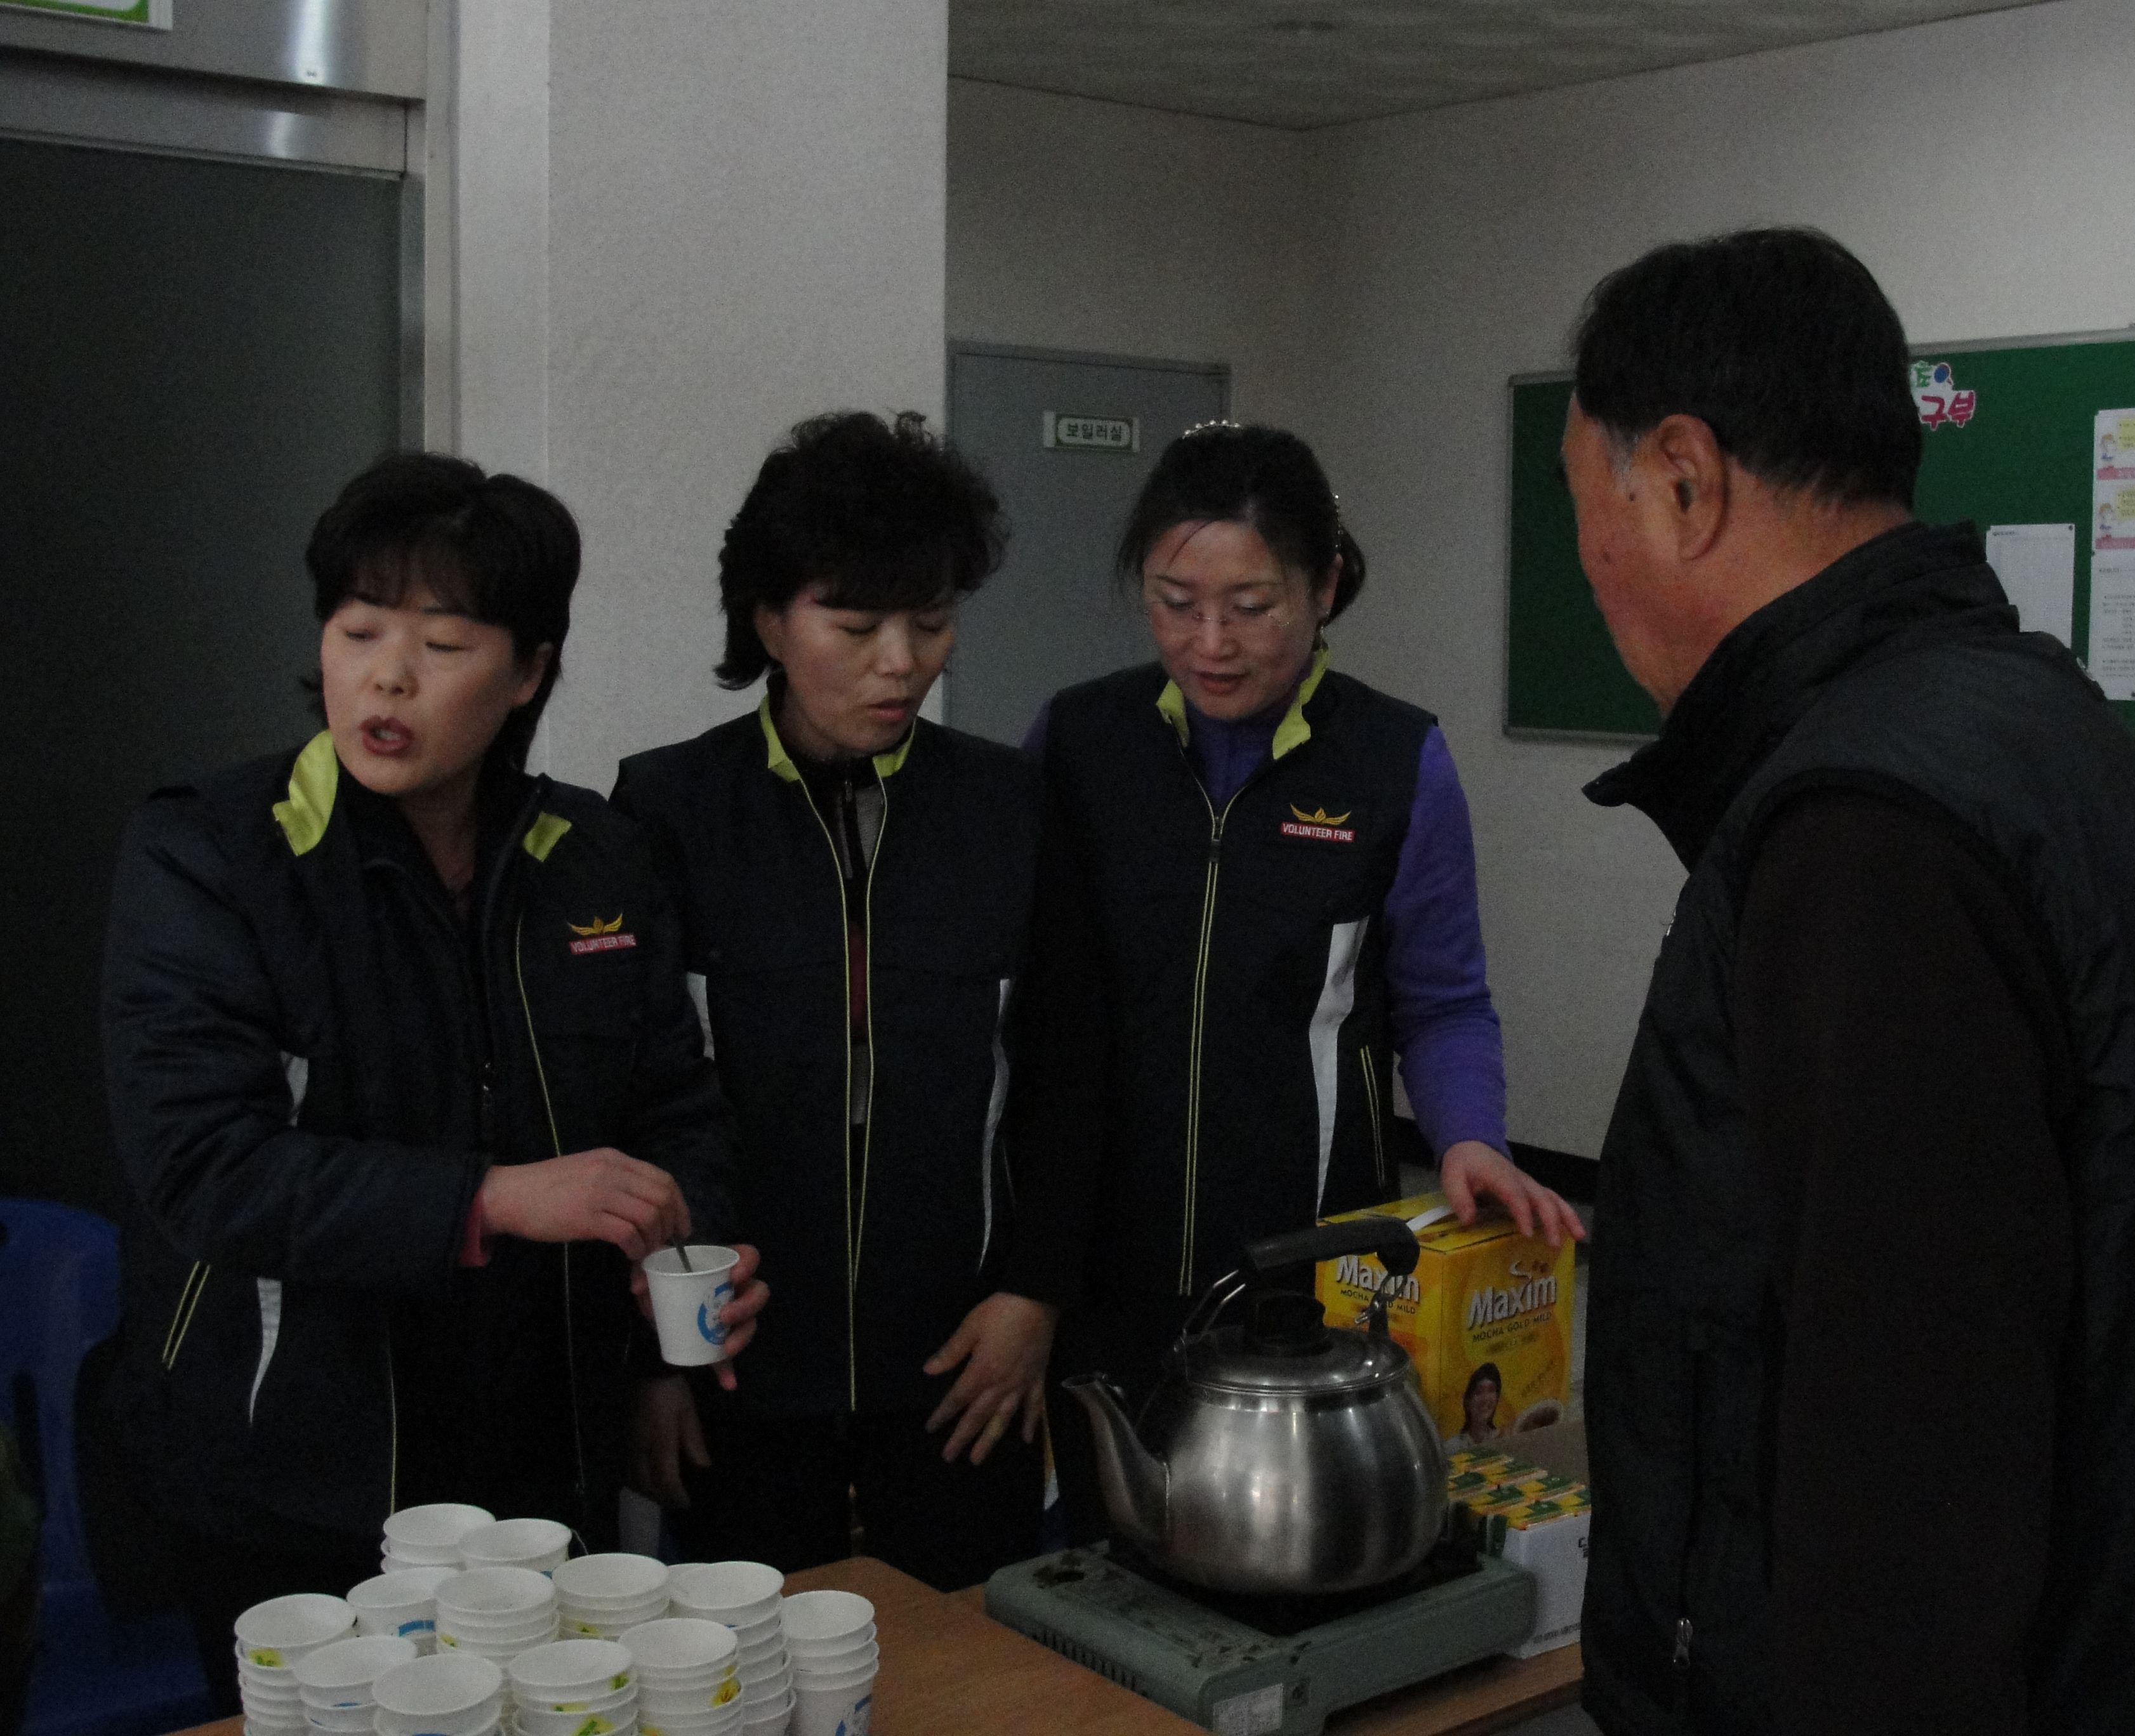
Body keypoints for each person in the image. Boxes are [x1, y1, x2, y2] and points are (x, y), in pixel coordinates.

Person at [1562, 229, 2135, 1735]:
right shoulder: (2022, 724)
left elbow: (1908, 1482)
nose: (1589, 563)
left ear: (1681, 480)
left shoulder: (1867, 829)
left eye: (1585, 508)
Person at [102, 453, 767, 1709]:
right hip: (291, 1480)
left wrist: (686, 1276)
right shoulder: (215, 853)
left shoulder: (594, 856)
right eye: (358, 632)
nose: (388, 676)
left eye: (444, 643)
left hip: (539, 1464)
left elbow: (673, 1109)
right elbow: (206, 1168)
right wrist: (493, 1197)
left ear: (526, 673)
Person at [1016, 421, 1584, 1542]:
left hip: (1308, 1264)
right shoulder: (1079, 741)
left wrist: (1470, 1134)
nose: (1211, 643)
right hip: (1099, 1254)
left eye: (1252, 605)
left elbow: (1442, 997)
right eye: (1176, 602)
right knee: (1099, 1546)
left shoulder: (1393, 759)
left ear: (1323, 587)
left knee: (1285, 1548)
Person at [614, 411, 1054, 1592]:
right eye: (855, 628)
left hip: (962, 1360)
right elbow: (639, 1103)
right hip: (739, 1366)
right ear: (769, 620)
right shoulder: (667, 809)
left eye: (931, 621)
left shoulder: (1007, 807)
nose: (901, 662)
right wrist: (651, 1361)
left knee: (973, 1664)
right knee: (743, 1661)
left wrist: (1034, 1293)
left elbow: (1068, 1077)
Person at [1442, 1362, 1504, 1452]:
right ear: (1468, 1401)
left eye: (1491, 1391)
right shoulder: (1453, 1447)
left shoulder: (1502, 1442)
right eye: (1479, 1392)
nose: (1485, 1399)